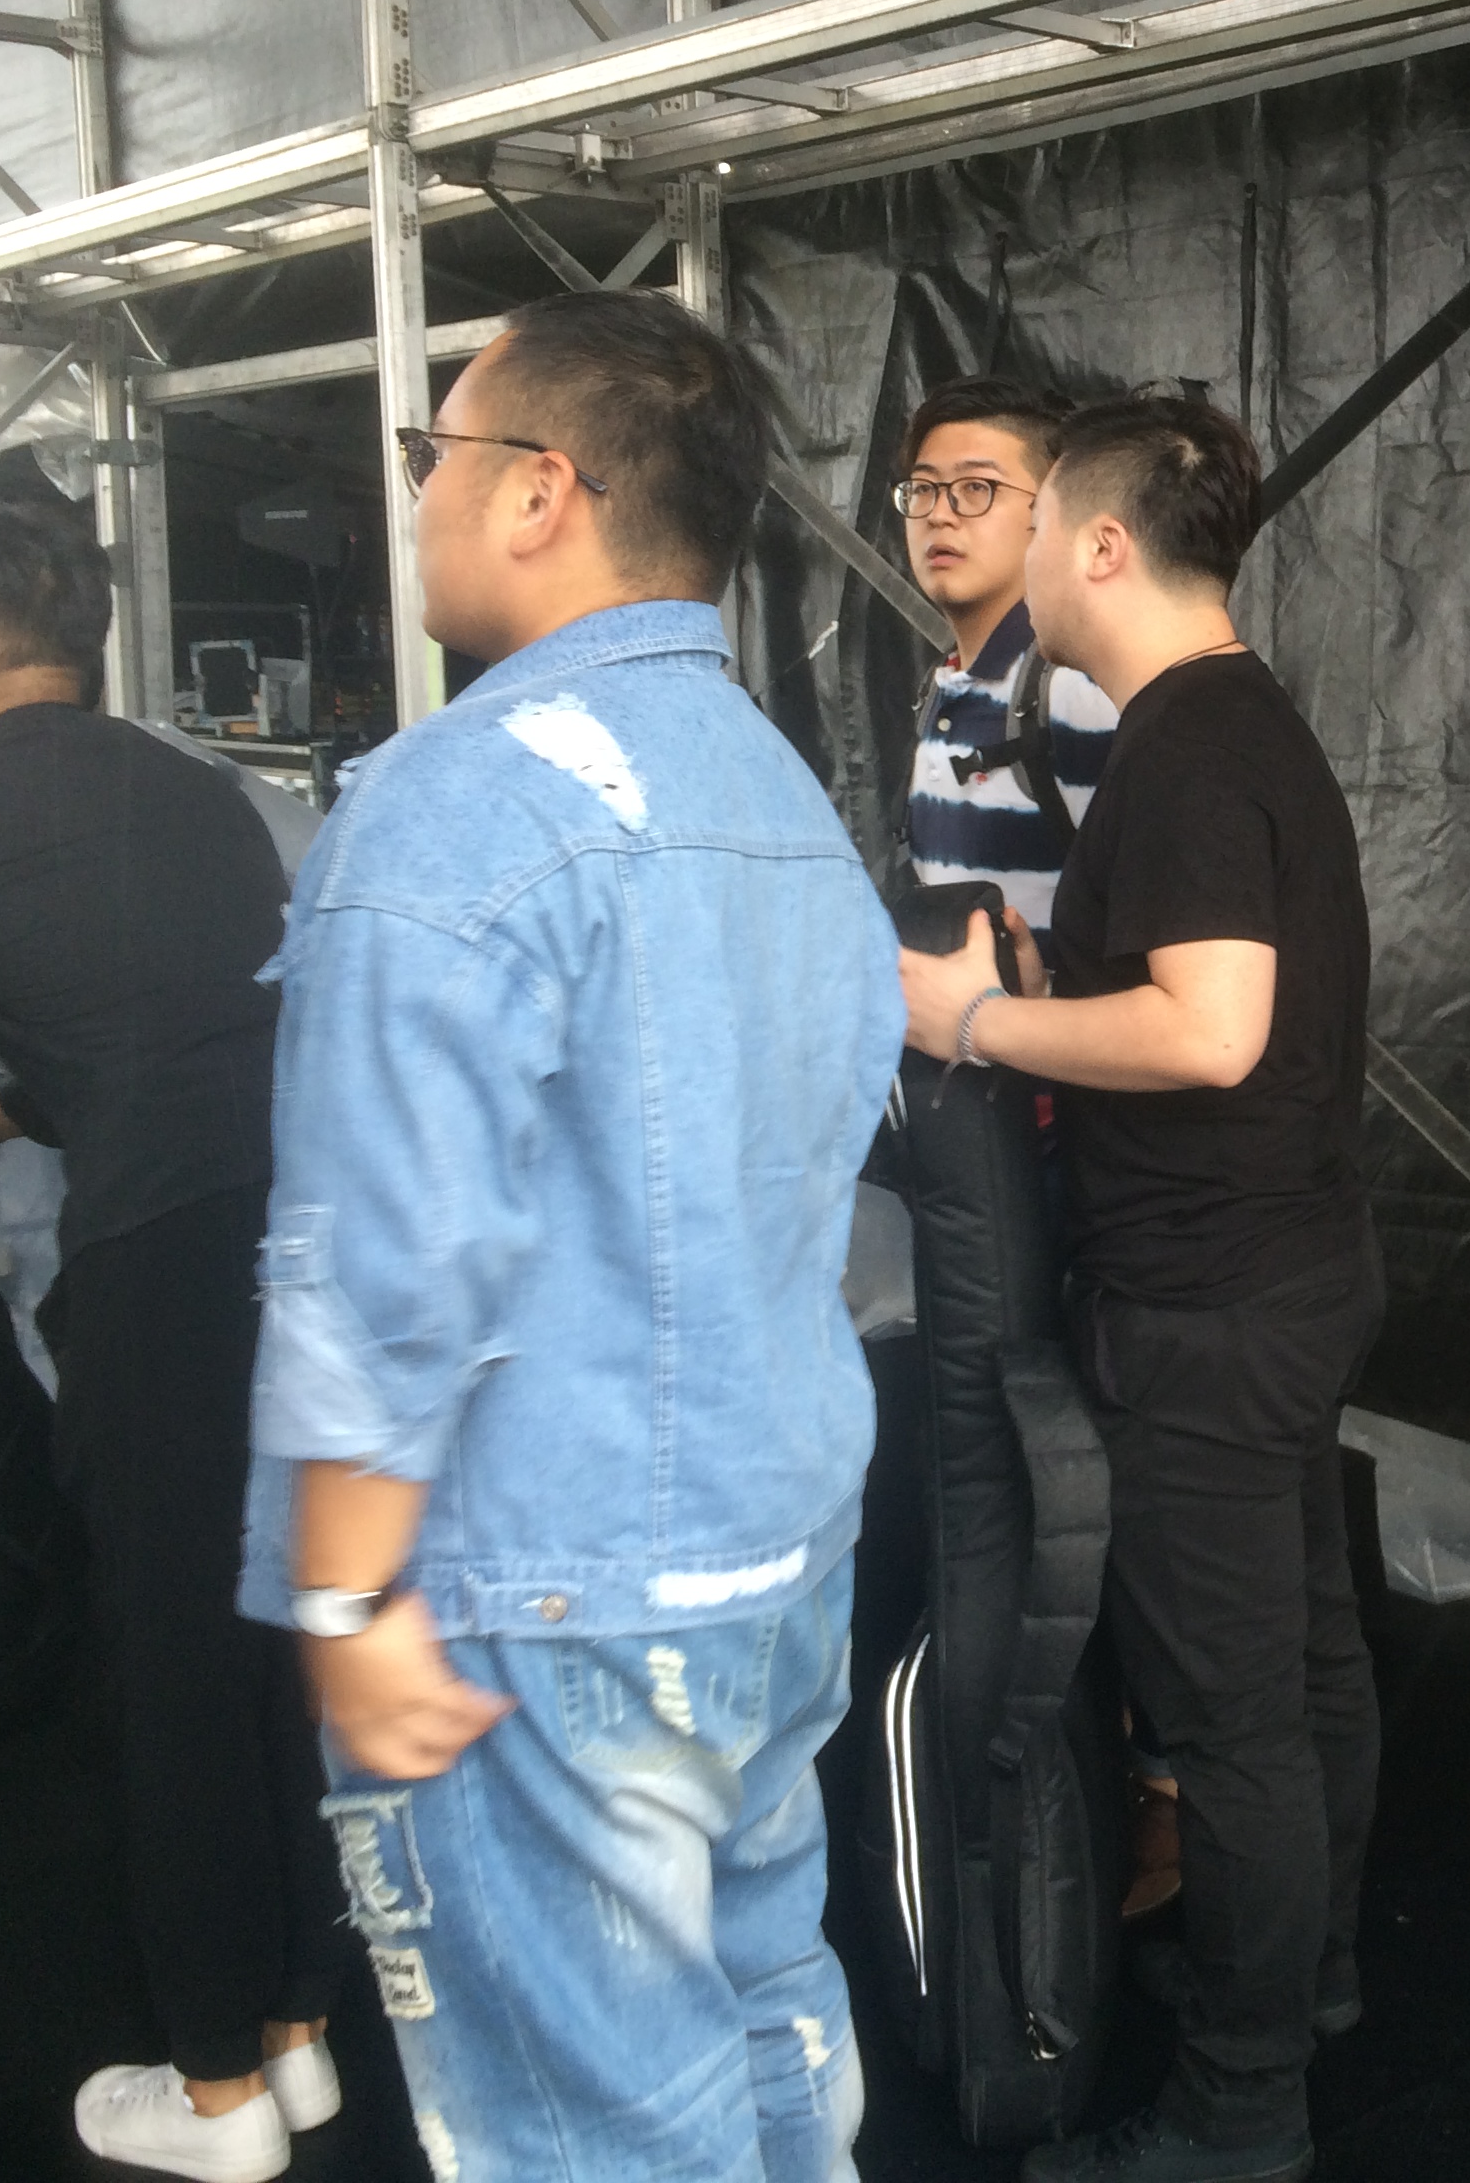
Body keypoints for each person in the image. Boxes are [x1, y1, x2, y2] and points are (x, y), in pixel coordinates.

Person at [236, 290, 904, 2183]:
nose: (416, 495)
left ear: (539, 490)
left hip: (543, 1590)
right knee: (767, 2007)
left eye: (428, 453)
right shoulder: (776, 793)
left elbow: (381, 1260)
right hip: (772, 1548)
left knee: (585, 2128)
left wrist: (345, 1593)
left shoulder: (456, 800)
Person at [899, 396, 1380, 2183]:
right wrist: (1052, 976)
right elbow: (1199, 985)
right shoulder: (1232, 725)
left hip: (1206, 1309)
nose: (1014, 551)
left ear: (1097, 546)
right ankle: (1307, 1983)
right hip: (1290, 1273)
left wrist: (973, 1016)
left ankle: (1240, 2108)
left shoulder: (1180, 751)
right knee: (1307, 1666)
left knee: (1234, 1727)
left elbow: (1209, 1028)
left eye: (1033, 522)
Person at [0, 488, 346, 2183]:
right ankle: (298, 2034)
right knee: (265, 1643)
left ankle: (215, 2091)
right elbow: (169, 1018)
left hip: (157, 1267)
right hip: (305, 1243)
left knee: (165, 1669)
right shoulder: (211, 796)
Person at [896, 376, 1120, 929]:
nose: (939, 514)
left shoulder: (1078, 691)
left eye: (977, 487)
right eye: (922, 488)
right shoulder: (942, 686)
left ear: (1052, 511)